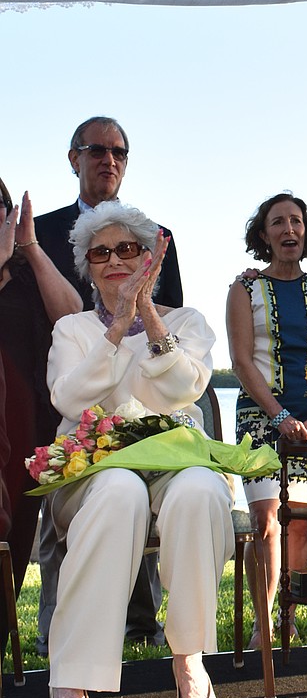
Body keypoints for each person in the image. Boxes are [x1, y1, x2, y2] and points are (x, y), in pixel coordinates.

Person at [45, 201, 234, 698]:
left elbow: (182, 390)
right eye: (100, 253)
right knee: (120, 489)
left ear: (149, 258)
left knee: (201, 489)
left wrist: (146, 315)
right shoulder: (72, 329)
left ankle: (190, 655)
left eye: (128, 248)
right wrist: (117, 327)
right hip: (94, 471)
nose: (114, 261)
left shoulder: (186, 322)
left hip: (176, 463)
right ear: (87, 266)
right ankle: (73, 674)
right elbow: (71, 398)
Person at [35, 115, 183, 651]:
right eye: (96, 149)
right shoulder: (45, 233)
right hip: (57, 385)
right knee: (62, 525)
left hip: (138, 402)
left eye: (119, 151)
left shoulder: (154, 236)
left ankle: (141, 624)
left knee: (135, 491)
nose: (109, 159)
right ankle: (59, 628)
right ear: (73, 157)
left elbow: (166, 318)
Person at [227, 193, 307, 645]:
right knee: (266, 520)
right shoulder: (244, 289)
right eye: (278, 223)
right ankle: (262, 621)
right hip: (260, 418)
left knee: (299, 525)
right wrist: (279, 417)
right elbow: (239, 361)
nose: (288, 230)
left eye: (296, 222)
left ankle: (287, 616)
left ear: (306, 232)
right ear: (264, 234)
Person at [0, 180, 82, 652]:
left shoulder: (28, 273)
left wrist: (29, 247)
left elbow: (72, 315)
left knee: (13, 536)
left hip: (24, 424)